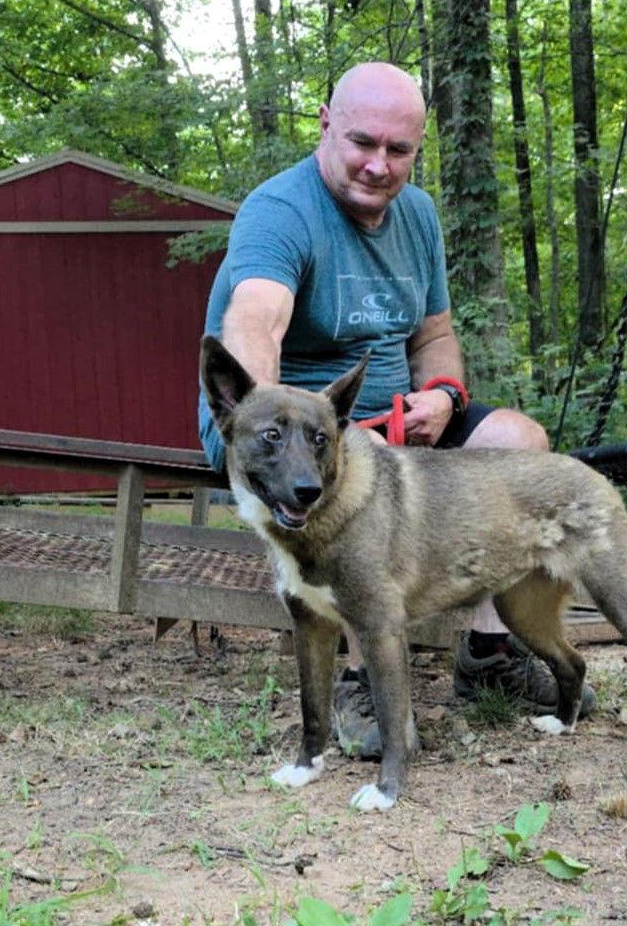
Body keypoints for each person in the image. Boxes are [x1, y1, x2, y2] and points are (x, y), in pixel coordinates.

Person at [198, 61, 595, 758]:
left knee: (519, 439)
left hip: (395, 429)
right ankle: (359, 676)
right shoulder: (281, 212)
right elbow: (253, 317)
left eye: (398, 150)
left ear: (417, 148)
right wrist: (274, 433)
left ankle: (489, 652)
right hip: (290, 439)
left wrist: (443, 396)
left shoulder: (419, 215)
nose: (378, 165)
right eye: (362, 143)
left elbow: (435, 335)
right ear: (325, 123)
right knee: (355, 487)